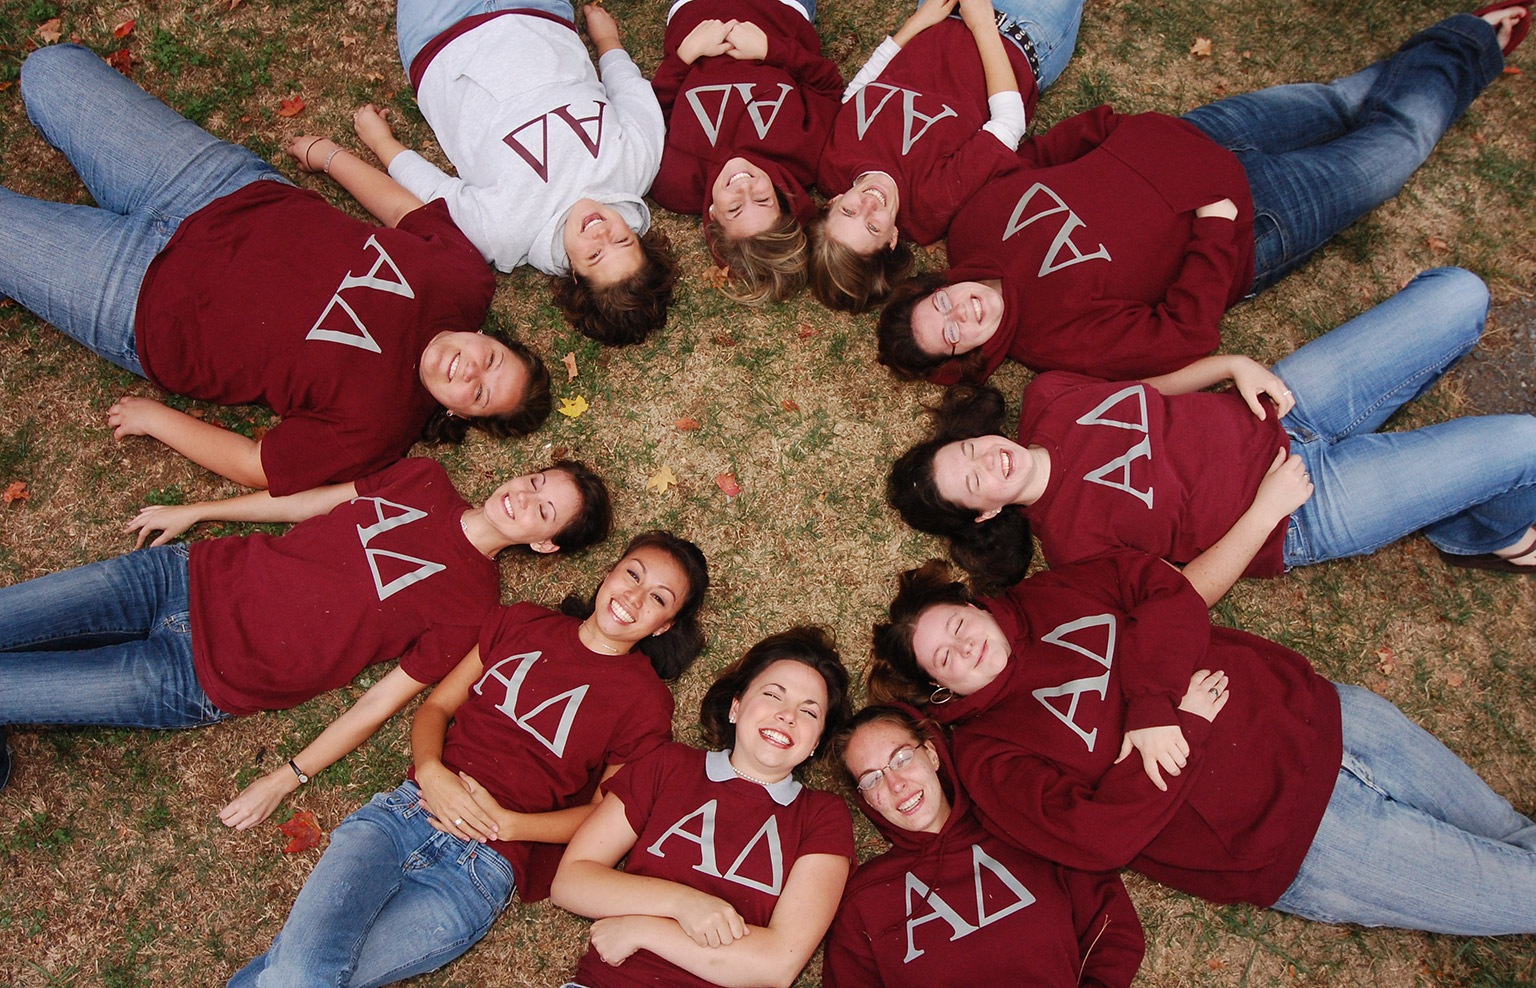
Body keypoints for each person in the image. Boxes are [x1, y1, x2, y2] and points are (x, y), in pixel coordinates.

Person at [868, 554, 1536, 935]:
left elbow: (1160, 588)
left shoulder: (1050, 594)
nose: (963, 645)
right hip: (1305, 844)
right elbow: (1094, 837)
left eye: (956, 623)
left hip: (1328, 719)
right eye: (944, 658)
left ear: (975, 605)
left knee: (1512, 832)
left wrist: (1152, 709)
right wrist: (1184, 726)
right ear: (939, 690)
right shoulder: (988, 758)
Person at [0, 43, 549, 496]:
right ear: (488, 338)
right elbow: (406, 211)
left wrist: (157, 420)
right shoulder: (464, 279)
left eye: (478, 395)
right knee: (50, 72)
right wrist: (329, 157)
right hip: (214, 186)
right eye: (491, 361)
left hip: (138, 301)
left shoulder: (377, 432)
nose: (469, 372)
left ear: (458, 417)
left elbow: (256, 464)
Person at [875, 6, 1527, 383]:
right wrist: (1217, 226)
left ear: (932, 285)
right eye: (953, 335)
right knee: (1395, 141)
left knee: (1339, 97)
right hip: (1250, 216)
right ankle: (1472, 42)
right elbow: (1181, 335)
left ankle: (1462, 46)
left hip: (1193, 136)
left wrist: (1111, 129)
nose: (962, 313)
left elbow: (1033, 155)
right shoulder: (1050, 347)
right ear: (969, 357)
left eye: (941, 307)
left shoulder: (971, 230)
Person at [229, 531, 710, 987]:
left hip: (481, 869)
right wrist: (433, 772)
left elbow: (603, 816)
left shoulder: (646, 702)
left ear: (664, 625)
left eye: (659, 598)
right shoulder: (520, 622)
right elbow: (436, 707)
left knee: (302, 974)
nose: (635, 597)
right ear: (609, 573)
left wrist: (509, 824)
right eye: (633, 575)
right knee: (305, 973)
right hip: (406, 815)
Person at [0, 456, 610, 814]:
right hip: (176, 578)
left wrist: (288, 776)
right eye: (535, 481)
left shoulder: (473, 610)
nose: (523, 498)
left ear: (544, 544)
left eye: (543, 509)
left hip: (198, 675)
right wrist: (200, 511)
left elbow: (381, 701)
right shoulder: (423, 478)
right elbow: (309, 504)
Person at [887, 268, 1536, 599]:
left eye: (967, 451)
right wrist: (1268, 509)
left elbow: (1154, 389)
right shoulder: (1073, 548)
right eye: (973, 483)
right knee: (1521, 447)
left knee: (1461, 294)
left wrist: (1233, 365)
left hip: (1284, 402)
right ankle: (1482, 531)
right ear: (987, 512)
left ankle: (1446, 489)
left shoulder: (1051, 395)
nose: (987, 463)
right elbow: (1187, 596)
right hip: (1303, 513)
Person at [550, 626, 855, 988]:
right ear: (736, 707)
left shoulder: (823, 816)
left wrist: (644, 930)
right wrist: (683, 904)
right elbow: (571, 881)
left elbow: (777, 964)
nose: (788, 715)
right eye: (774, 695)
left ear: (815, 742)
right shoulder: (669, 765)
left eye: (809, 712)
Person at [370, 0, 676, 345]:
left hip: (444, 39)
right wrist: (607, 41)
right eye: (623, 240)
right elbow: (631, 92)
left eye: (595, 255)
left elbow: (435, 193)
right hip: (541, 14)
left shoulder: (505, 235)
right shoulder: (636, 166)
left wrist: (382, 143)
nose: (601, 233)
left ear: (574, 275)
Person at [822, 704, 1144, 988]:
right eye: (872, 779)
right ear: (865, 800)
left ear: (932, 754)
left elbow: (1113, 930)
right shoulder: (862, 903)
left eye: (902, 758)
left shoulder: (1023, 830)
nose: (896, 784)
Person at [810, 0, 1086, 311]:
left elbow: (859, 91)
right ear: (891, 239)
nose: (868, 204)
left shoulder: (833, 166)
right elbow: (1008, 124)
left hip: (938, 12)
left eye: (848, 212)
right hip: (1018, 31)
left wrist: (918, 21)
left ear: (833, 202)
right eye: (873, 227)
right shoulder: (930, 204)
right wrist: (982, 23)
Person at [649, 0, 844, 303]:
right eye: (763, 200)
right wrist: (770, 49)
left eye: (735, 209)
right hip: (781, 11)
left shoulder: (674, 182)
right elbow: (827, 86)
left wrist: (686, 54)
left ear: (713, 216)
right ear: (780, 196)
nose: (744, 188)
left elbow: (649, 112)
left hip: (696, 12)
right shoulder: (805, 157)